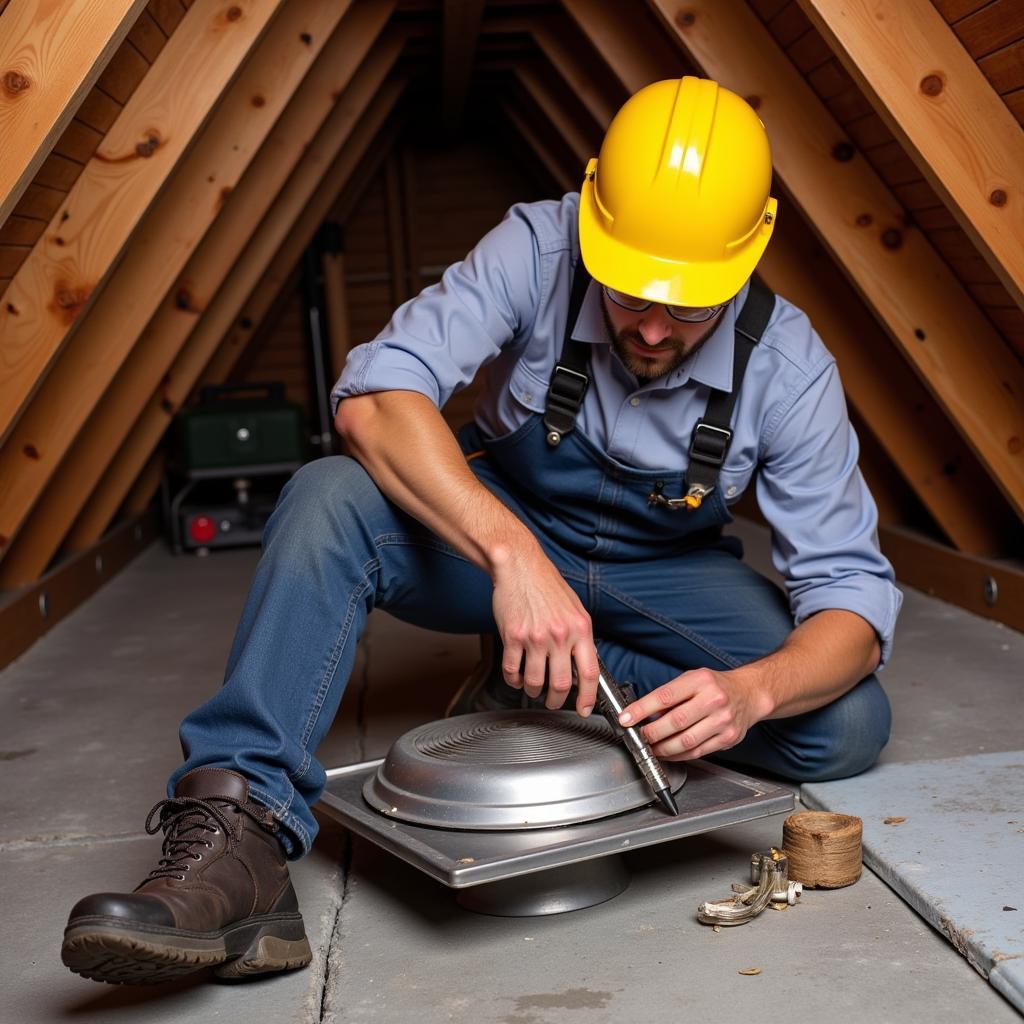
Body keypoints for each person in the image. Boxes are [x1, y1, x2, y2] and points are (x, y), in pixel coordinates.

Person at [61, 77, 901, 985]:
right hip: (496, 536)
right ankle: (241, 831)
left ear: (750, 255)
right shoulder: (537, 246)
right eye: (626, 293)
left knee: (844, 721)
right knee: (327, 496)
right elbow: (380, 401)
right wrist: (513, 556)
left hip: (663, 569)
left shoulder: (792, 365)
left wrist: (749, 693)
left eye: (689, 306)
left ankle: (551, 680)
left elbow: (852, 602)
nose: (652, 329)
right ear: (593, 222)